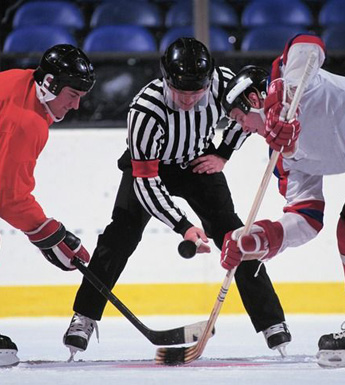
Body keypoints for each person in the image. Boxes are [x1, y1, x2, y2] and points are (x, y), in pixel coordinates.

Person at [63, 37, 291, 359]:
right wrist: (183, 226)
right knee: (120, 235)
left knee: (236, 234)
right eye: (181, 92)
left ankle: (272, 323)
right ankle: (84, 317)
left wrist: (223, 152)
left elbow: (248, 114)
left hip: (198, 162)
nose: (188, 100)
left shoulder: (224, 83)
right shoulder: (145, 110)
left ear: (209, 80)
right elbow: (146, 183)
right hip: (152, 168)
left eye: (195, 93)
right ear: (165, 79)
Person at [220, 33, 345, 368]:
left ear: (254, 97)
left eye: (238, 117)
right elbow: (307, 216)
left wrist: (283, 104)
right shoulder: (283, 156)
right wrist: (259, 238)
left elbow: (308, 42)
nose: (241, 128)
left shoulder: (294, 82)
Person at [0, 44, 95, 366]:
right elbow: (8, 196)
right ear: (50, 83)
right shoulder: (27, 122)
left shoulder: (20, 79)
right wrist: (49, 234)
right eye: (72, 95)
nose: (77, 105)